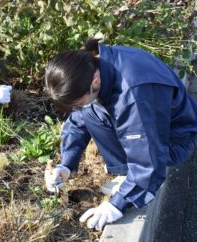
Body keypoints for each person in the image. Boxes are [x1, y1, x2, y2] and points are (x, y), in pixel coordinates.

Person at [43, 39, 197, 231]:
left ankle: (128, 180)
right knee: (90, 111)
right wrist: (66, 164)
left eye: (78, 102)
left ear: (96, 81)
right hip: (151, 125)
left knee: (92, 110)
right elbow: (78, 120)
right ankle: (126, 173)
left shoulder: (133, 96)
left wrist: (117, 204)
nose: (77, 109)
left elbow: (148, 162)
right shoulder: (92, 65)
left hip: (173, 141)